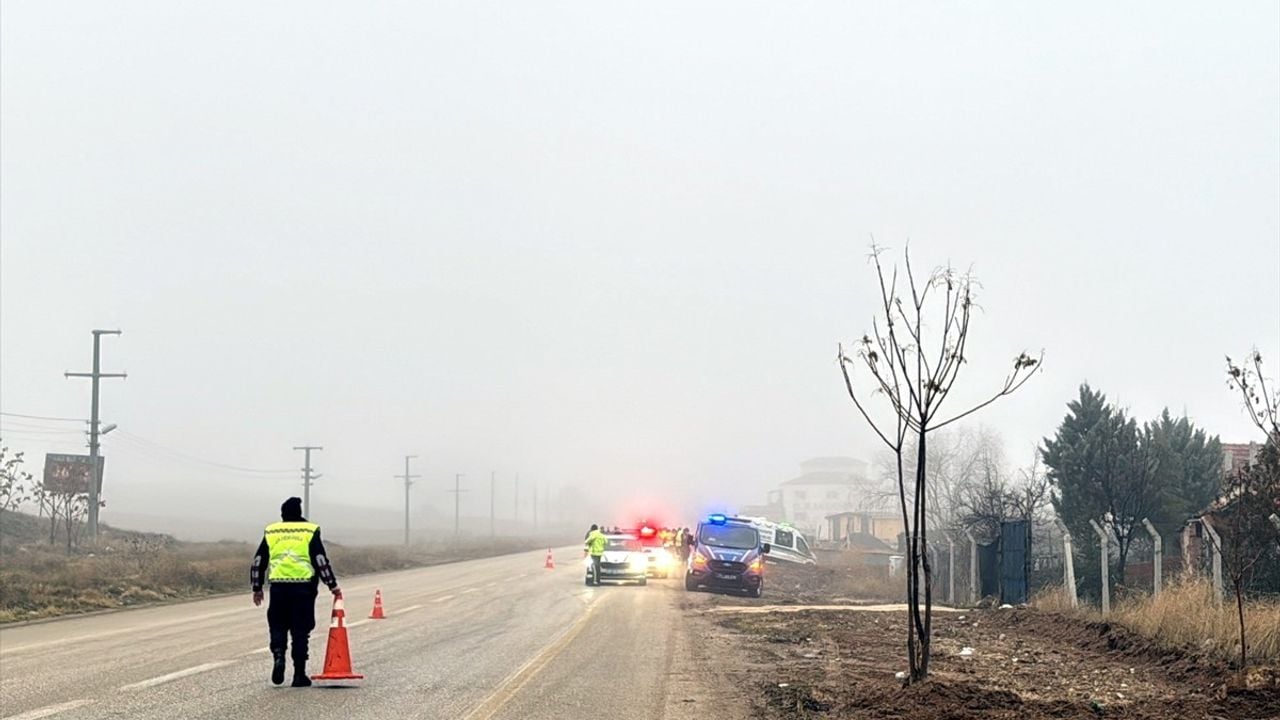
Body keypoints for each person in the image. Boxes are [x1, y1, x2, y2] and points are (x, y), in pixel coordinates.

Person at [250, 497, 341, 687]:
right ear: (300, 513)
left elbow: (259, 561)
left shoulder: (272, 531)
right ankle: (299, 674)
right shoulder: (310, 531)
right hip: (304, 588)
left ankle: (278, 655)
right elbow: (320, 560)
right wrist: (332, 584)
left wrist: (257, 587)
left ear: (282, 514)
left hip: (278, 587)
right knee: (301, 631)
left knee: (278, 625)